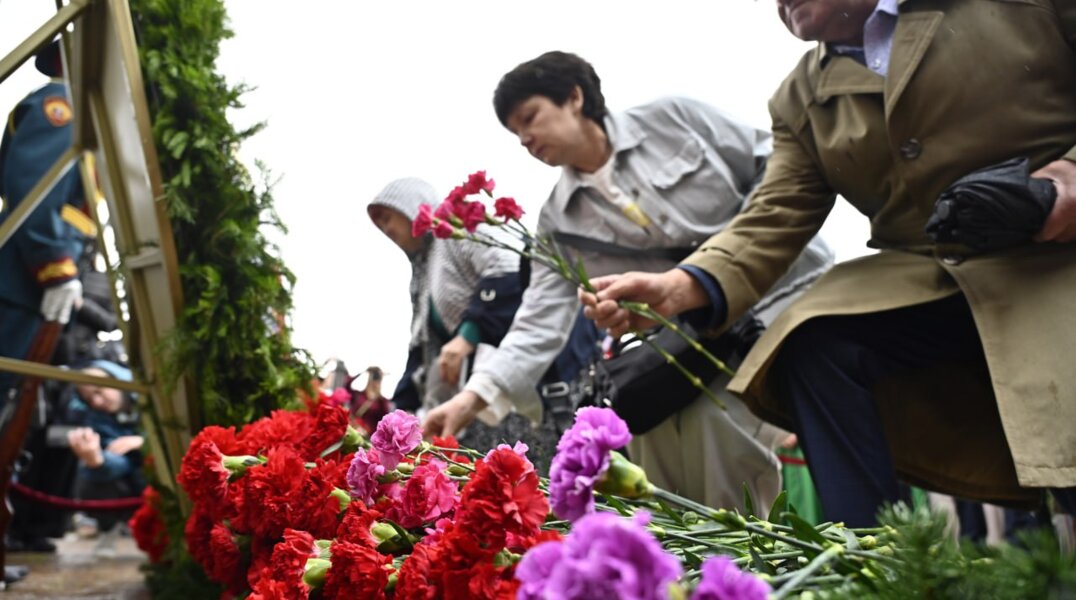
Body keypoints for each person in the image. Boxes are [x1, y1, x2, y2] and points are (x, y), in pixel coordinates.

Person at [581, 0, 1076, 527]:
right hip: (932, 275)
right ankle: (877, 561)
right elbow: (775, 213)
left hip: (1054, 259)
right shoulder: (799, 98)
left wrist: (1069, 177)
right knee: (813, 337)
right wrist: (679, 286)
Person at [424, 51, 834, 510]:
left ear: (574, 97)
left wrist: (726, 260)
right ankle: (684, 574)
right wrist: (469, 400)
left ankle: (747, 575)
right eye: (514, 131)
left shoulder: (675, 118)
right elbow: (536, 324)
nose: (524, 138)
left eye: (530, 117)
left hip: (787, 294)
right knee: (651, 437)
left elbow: (781, 169)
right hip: (697, 342)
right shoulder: (558, 223)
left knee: (720, 436)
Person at [368, 177, 568, 469]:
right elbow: (420, 346)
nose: (386, 229)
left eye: (387, 217)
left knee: (524, 470)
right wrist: (400, 413)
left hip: (517, 371)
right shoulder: (422, 272)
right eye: (380, 225)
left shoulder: (454, 229)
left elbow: (509, 267)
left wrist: (468, 334)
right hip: (470, 390)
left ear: (412, 205)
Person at [0, 39, 91, 401]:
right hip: (19, 278)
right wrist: (57, 267)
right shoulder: (64, 103)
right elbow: (35, 194)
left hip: (26, 281)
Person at [63, 360, 144, 554]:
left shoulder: (149, 398)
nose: (97, 402)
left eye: (99, 391)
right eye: (90, 399)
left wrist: (143, 442)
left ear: (117, 380)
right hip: (136, 486)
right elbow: (121, 462)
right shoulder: (97, 420)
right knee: (89, 479)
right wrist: (96, 461)